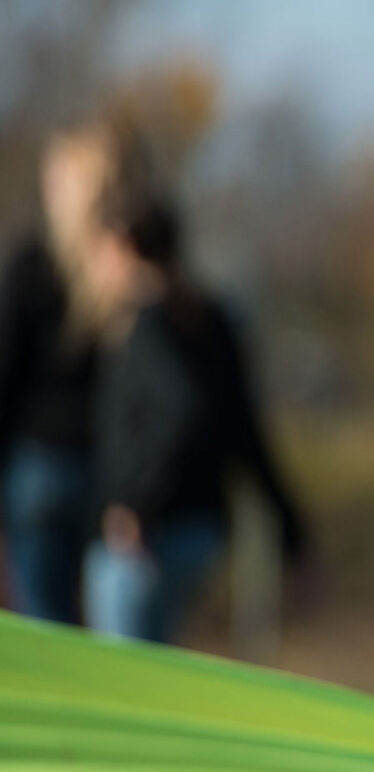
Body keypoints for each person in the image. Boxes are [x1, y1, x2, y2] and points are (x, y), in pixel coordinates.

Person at [79, 188, 308, 644]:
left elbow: (183, 410)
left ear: (124, 249)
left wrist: (138, 502)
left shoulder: (149, 328)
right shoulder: (212, 321)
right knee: (157, 673)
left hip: (145, 537)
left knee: (124, 690)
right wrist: (293, 534)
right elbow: (248, 432)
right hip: (202, 529)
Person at [0, 120, 153, 623]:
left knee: (47, 632)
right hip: (107, 477)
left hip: (38, 472)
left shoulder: (32, 267)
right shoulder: (130, 278)